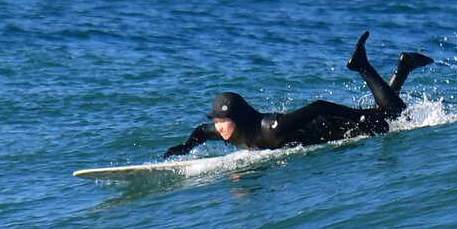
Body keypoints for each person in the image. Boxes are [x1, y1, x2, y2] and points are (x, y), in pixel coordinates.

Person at [162, 32, 434, 158]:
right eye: (217, 121)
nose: (218, 127)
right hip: (324, 131)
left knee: (395, 118)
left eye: (223, 121)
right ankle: (404, 68)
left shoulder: (271, 129)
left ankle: (362, 65)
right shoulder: (224, 131)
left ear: (240, 117)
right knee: (389, 114)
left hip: (331, 125)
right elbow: (200, 130)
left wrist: (358, 117)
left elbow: (318, 106)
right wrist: (184, 148)